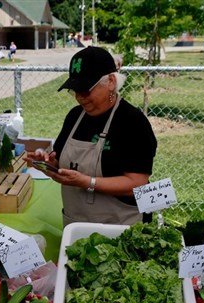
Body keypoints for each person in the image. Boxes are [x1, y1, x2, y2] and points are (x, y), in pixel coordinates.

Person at [27, 47, 157, 226]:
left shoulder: (132, 122)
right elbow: (58, 159)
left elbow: (138, 184)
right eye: (75, 91)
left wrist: (88, 182)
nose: (80, 98)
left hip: (119, 227)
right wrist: (49, 163)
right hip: (76, 222)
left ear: (111, 81)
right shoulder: (74, 117)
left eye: (86, 90)